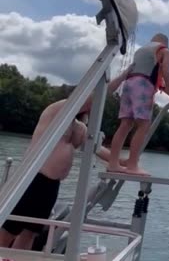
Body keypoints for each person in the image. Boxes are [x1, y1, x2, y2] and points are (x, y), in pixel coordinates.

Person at [0, 65, 133, 250]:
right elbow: (95, 98)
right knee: (9, 229)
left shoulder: (79, 128)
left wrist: (125, 162)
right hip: (31, 179)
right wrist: (125, 75)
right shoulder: (56, 112)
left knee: (31, 232)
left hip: (51, 186)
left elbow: (98, 150)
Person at [107, 33, 169, 176]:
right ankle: (132, 165)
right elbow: (165, 72)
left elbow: (150, 77)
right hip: (143, 87)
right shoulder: (165, 51)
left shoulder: (141, 51)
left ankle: (113, 164)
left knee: (125, 125)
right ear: (165, 43)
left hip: (128, 85)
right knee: (143, 125)